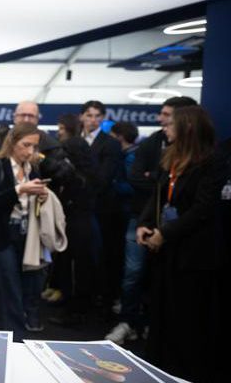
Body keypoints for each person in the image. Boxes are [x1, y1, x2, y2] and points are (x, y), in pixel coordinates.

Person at [136, 106, 221, 382]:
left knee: (185, 318)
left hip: (192, 254)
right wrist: (144, 223)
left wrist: (167, 233)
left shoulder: (211, 162)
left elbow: (203, 209)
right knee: (160, 313)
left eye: (171, 124)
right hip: (165, 253)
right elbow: (158, 195)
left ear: (188, 128)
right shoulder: (170, 158)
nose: (165, 128)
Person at [0, 123, 48, 338]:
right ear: (12, 142)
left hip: (27, 236)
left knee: (25, 290)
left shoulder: (33, 168)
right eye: (26, 145)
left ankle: (5, 339)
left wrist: (41, 196)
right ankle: (14, 340)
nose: (30, 151)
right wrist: (19, 189)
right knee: (8, 291)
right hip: (2, 235)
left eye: (34, 146)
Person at [46, 114, 99, 327]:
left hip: (76, 220)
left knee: (74, 267)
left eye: (60, 127)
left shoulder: (70, 155)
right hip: (83, 219)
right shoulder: (86, 166)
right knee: (78, 266)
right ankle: (75, 306)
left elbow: (58, 174)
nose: (58, 131)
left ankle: (75, 312)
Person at [80, 100, 123, 314]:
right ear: (82, 117)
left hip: (102, 209)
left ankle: (101, 303)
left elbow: (104, 179)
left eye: (97, 116)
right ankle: (81, 301)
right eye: (89, 115)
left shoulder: (110, 144)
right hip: (77, 210)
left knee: (102, 258)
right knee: (81, 260)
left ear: (103, 118)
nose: (93, 119)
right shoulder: (75, 140)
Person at [105, 122, 145, 344]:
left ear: (120, 138)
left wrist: (113, 184)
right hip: (129, 215)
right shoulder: (133, 155)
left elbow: (132, 185)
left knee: (132, 271)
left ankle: (131, 319)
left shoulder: (130, 158)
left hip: (132, 214)